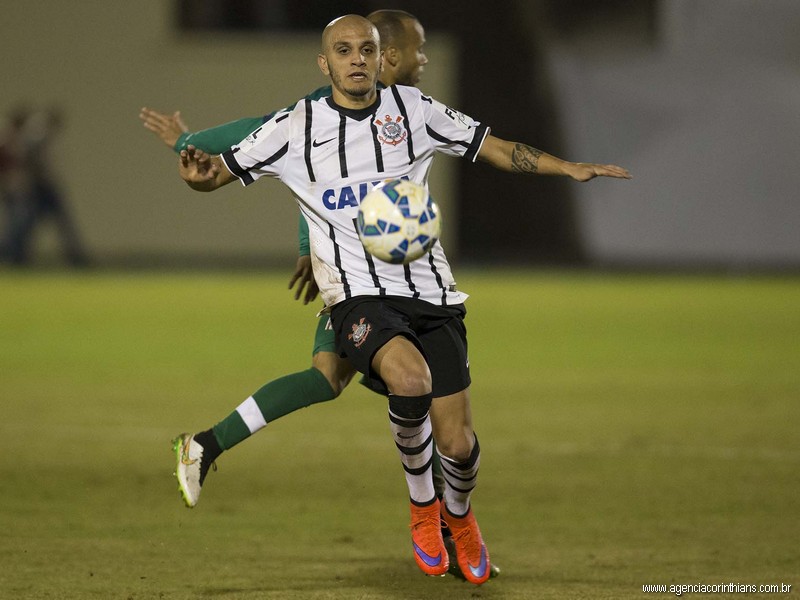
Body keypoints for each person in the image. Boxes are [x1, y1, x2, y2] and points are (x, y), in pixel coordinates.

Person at [177, 14, 630, 585]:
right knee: (404, 379)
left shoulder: (415, 112)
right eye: (343, 51)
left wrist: (566, 167)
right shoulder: (297, 125)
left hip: (431, 292)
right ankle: (422, 508)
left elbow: (491, 146)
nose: (356, 59)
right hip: (357, 297)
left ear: (379, 55)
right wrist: (195, 171)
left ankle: (458, 518)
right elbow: (218, 174)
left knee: (458, 444)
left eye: (365, 49)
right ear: (326, 63)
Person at [146, 9, 498, 581]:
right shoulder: (324, 108)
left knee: (335, 379)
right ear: (388, 54)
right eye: (416, 48)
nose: (423, 59)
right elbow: (268, 142)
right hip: (355, 285)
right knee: (370, 384)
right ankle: (207, 446)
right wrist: (190, 146)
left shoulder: (408, 115)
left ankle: (206, 445)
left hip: (394, 285)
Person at [0, 107, 88, 266]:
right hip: (30, 190)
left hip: (36, 188)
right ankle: (15, 257)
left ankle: (17, 257)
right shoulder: (29, 135)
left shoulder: (29, 136)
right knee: (20, 227)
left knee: (25, 226)